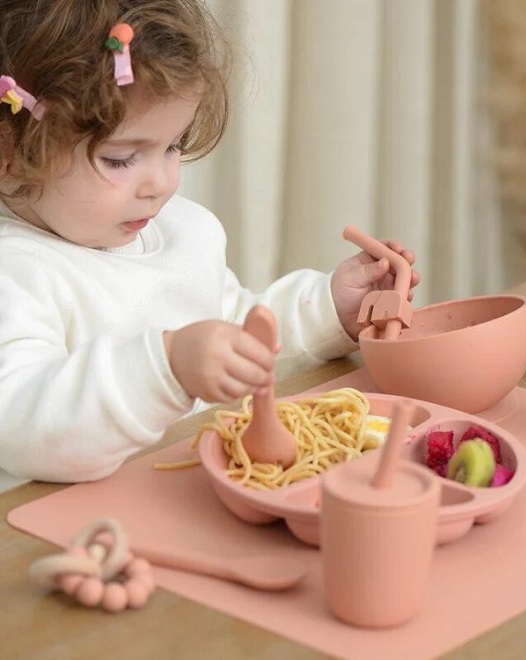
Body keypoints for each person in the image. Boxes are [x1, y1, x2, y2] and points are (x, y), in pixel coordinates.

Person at [0, 0, 418, 484]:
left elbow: (231, 334)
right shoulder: (17, 271)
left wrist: (326, 311)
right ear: (9, 150)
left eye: (173, 146)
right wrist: (166, 367)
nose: (160, 182)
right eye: (120, 159)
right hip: (71, 531)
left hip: (189, 494)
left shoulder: (178, 230)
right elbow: (24, 424)